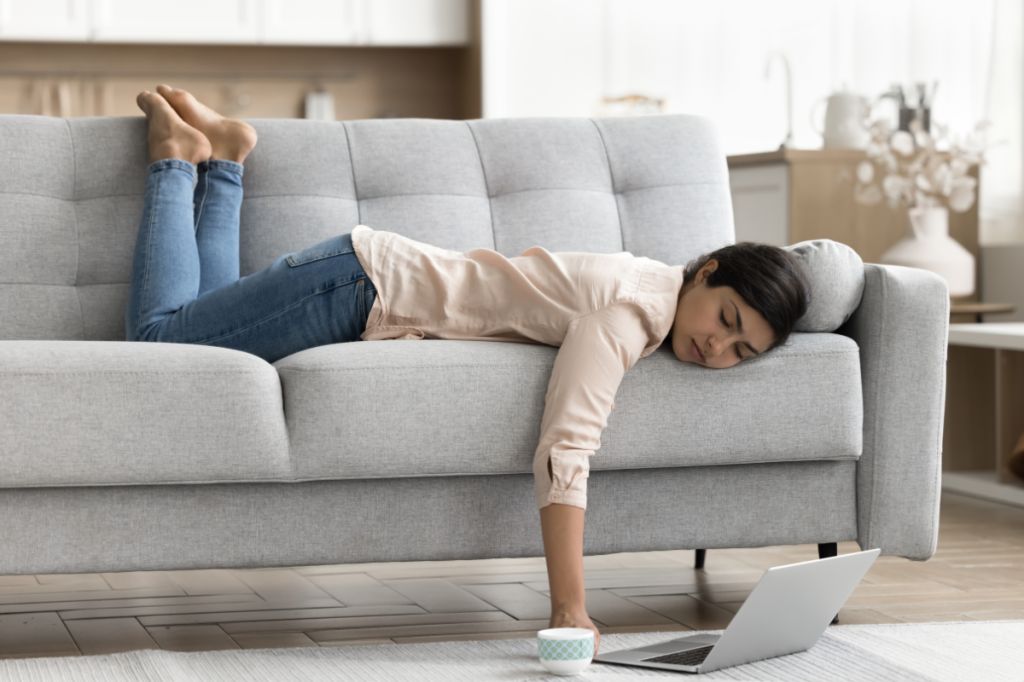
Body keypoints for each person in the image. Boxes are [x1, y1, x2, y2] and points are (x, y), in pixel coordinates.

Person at [126, 85, 810, 656]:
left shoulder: (655, 286)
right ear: (709, 269)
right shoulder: (632, 313)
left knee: (201, 328)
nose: (717, 349)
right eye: (725, 321)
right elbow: (566, 449)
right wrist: (570, 608)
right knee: (162, 346)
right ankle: (176, 162)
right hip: (352, 285)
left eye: (741, 351)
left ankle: (223, 157)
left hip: (361, 280)